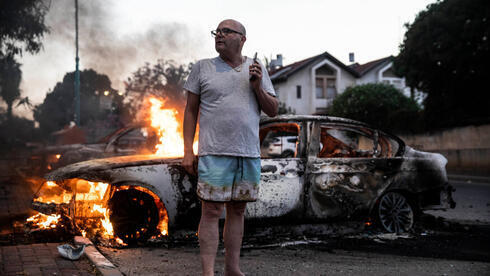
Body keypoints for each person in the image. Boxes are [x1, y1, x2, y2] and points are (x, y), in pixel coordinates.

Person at [182, 19, 278, 276]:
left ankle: (232, 269)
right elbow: (190, 111)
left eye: (226, 31)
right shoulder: (202, 68)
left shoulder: (257, 68)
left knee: (238, 210)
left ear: (242, 38)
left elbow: (272, 109)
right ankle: (208, 272)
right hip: (213, 152)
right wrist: (188, 151)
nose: (219, 35)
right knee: (211, 210)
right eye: (217, 31)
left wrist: (257, 86)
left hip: (247, 152)